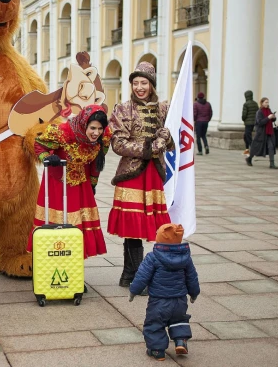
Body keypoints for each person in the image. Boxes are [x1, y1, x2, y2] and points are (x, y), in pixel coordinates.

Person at [107, 62, 174, 288]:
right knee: (133, 226)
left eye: (143, 83)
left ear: (152, 85)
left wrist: (167, 137)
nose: (139, 87)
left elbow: (173, 144)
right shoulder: (122, 109)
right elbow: (117, 143)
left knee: (152, 226)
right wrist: (148, 148)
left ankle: (132, 274)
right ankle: (134, 275)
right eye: (135, 83)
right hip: (132, 174)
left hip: (154, 174)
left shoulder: (164, 109)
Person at [26, 104, 111, 260]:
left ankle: (74, 264)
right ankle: (55, 258)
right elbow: (39, 144)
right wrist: (48, 158)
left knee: (80, 223)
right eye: (92, 128)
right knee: (59, 221)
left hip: (82, 182)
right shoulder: (62, 133)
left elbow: (96, 163)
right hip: (58, 181)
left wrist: (93, 184)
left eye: (100, 129)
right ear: (84, 123)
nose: (96, 133)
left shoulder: (104, 137)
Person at [128, 224, 200, 361]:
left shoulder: (153, 257)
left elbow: (142, 277)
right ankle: (180, 341)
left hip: (159, 301)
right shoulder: (186, 258)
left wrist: (133, 291)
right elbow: (192, 277)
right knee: (179, 320)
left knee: (154, 324)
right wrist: (194, 292)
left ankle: (157, 350)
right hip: (180, 300)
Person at [246, 97, 278, 169]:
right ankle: (249, 158)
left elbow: (272, 120)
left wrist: (273, 117)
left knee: (271, 147)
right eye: (266, 102)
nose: (267, 104)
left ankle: (272, 164)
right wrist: (268, 118)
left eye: (268, 102)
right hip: (261, 133)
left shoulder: (269, 110)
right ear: (262, 103)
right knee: (255, 147)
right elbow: (260, 122)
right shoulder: (259, 112)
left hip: (269, 132)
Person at [242, 90, 258, 155]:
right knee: (246, 135)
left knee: (248, 136)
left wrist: (243, 119)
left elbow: (244, 115)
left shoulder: (246, 104)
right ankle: (247, 149)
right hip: (254, 122)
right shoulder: (255, 103)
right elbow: (257, 112)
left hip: (248, 123)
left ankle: (252, 148)